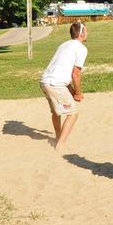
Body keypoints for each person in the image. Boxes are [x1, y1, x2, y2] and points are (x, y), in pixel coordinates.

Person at [39, 22, 89, 152]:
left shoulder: (64, 45)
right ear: (81, 33)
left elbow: (63, 73)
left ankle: (58, 137)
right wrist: (78, 93)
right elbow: (75, 74)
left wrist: (73, 91)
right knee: (73, 114)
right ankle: (60, 145)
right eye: (86, 31)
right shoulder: (81, 48)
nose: (87, 34)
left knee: (56, 111)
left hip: (45, 81)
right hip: (55, 84)